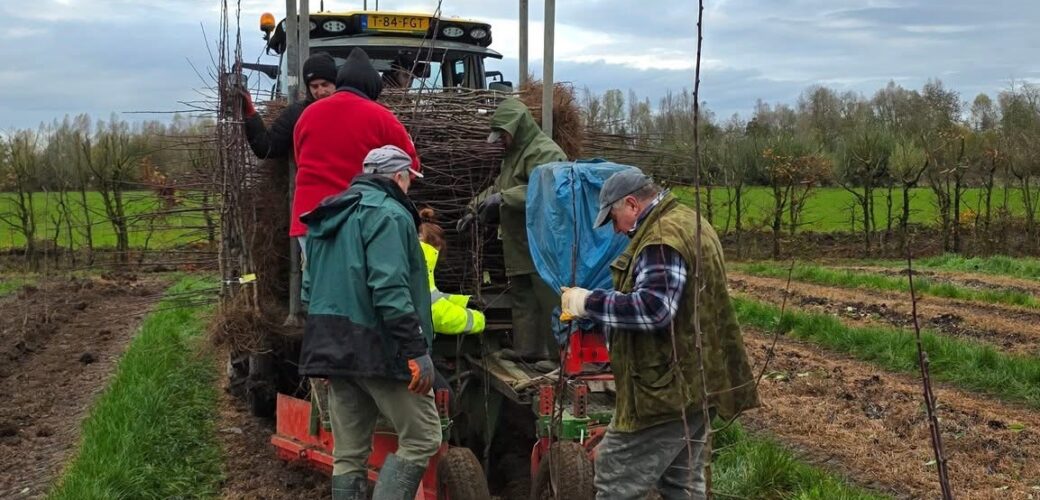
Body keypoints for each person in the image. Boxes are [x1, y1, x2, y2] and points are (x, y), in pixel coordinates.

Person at [559, 169, 760, 500]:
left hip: (665, 391)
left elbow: (653, 309)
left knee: (615, 475)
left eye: (614, 218)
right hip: (699, 381)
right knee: (681, 483)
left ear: (632, 204)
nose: (616, 228)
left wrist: (586, 302)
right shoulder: (691, 222)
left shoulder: (661, 238)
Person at [298, 145, 438, 500]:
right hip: (378, 346)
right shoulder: (389, 214)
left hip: (332, 347)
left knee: (348, 453)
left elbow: (307, 291)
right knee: (423, 437)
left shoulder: (328, 214)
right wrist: (415, 350)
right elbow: (390, 289)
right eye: (409, 180)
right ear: (399, 177)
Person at [458, 97, 566, 371]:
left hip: (542, 239)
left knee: (549, 296)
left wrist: (503, 198)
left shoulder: (544, 152)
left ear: (518, 126)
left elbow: (548, 189)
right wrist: (474, 207)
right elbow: (499, 186)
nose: (501, 141)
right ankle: (527, 349)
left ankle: (558, 356)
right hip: (520, 239)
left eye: (503, 134)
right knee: (522, 294)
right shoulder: (515, 154)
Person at [291, 48, 420, 244]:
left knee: (317, 274)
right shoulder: (382, 116)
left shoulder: (307, 115)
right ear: (372, 87)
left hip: (310, 218)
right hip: (354, 216)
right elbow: (410, 165)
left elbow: (300, 159)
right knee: (352, 274)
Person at [239, 52, 337, 159]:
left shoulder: (352, 110)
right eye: (314, 86)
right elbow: (266, 148)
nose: (321, 91)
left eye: (325, 85)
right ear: (308, 88)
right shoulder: (297, 113)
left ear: (336, 83)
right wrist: (250, 113)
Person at [418, 208, 485, 335]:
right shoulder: (421, 262)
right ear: (435, 245)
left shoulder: (413, 260)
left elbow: (433, 296)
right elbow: (435, 313)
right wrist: (478, 319)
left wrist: (465, 301)